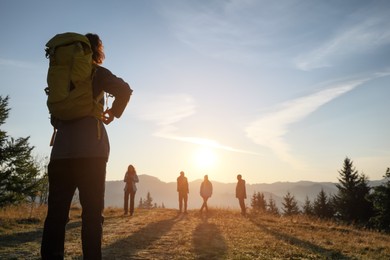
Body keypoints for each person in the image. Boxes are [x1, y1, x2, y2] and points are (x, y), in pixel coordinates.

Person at [41, 33, 132, 260]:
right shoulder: (97, 73)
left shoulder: (61, 75)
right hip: (92, 152)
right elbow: (125, 89)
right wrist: (113, 112)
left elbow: (55, 115)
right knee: (92, 215)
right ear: (95, 51)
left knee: (56, 216)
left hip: (61, 152)